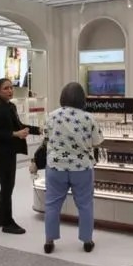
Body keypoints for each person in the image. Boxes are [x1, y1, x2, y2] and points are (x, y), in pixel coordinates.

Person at [41, 82, 103, 254]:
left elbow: (45, 138)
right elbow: (97, 141)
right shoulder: (88, 118)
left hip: (56, 167)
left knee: (52, 205)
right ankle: (87, 240)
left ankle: (49, 241)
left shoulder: (51, 116)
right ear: (82, 98)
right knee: (85, 205)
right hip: (81, 168)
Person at [0, 78, 41, 234]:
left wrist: (38, 130)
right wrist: (15, 134)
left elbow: (18, 125)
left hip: (9, 151)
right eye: (6, 88)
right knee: (7, 187)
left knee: (7, 186)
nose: (10, 90)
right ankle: (7, 222)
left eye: (11, 88)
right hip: (1, 153)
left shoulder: (10, 106)